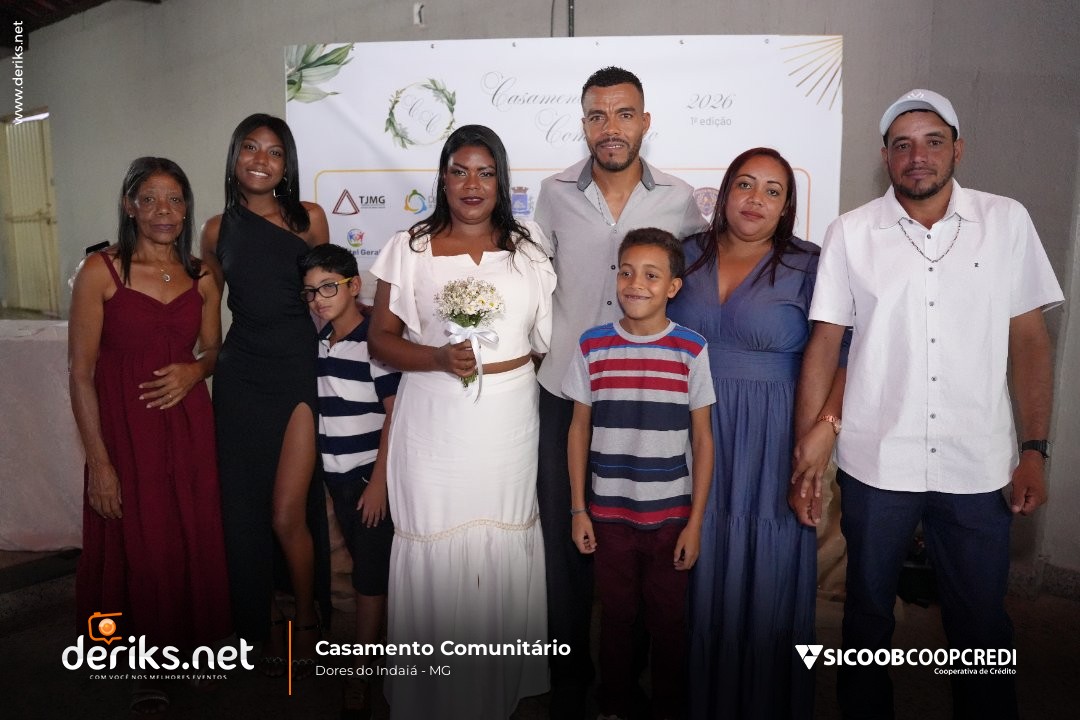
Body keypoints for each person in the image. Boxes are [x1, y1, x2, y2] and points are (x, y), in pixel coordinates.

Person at [792, 89, 1064, 719]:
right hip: (877, 463)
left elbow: (1029, 341)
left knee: (980, 626)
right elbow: (825, 344)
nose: (918, 156)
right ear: (885, 156)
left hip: (978, 464)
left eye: (933, 141)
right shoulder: (851, 232)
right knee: (866, 618)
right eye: (903, 145)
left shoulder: (1006, 221)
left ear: (958, 149)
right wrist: (807, 457)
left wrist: (1034, 450)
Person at [533, 66, 707, 715]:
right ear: (584, 124)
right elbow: (532, 282)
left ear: (645, 122)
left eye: (624, 114)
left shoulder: (681, 201)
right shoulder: (551, 194)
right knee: (569, 541)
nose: (611, 128)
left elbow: (691, 290)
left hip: (646, 401)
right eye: (598, 116)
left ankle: (626, 681)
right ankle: (571, 682)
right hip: (567, 394)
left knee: (639, 544)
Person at [368, 124, 555, 719]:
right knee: (435, 537)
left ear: (501, 180)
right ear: (442, 179)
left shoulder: (530, 248)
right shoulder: (409, 247)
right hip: (433, 419)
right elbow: (379, 339)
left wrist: (500, 373)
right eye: (459, 171)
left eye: (485, 172)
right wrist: (437, 359)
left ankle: (494, 691)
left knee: (504, 537)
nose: (472, 184)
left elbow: (542, 342)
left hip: (508, 421)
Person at [668, 147, 846, 719]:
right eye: (745, 185)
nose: (756, 200)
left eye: (773, 191)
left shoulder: (811, 264)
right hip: (691, 429)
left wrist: (826, 426)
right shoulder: (685, 255)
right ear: (724, 193)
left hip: (774, 432)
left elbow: (845, 355)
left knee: (768, 561)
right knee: (696, 557)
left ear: (787, 205)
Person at [69, 157, 232, 714]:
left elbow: (214, 350)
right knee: (143, 544)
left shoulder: (203, 275)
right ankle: (146, 664)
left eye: (175, 200)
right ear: (129, 205)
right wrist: (99, 463)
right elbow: (80, 373)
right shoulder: (101, 272)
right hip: (126, 431)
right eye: (150, 199)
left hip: (188, 427)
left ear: (187, 209)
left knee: (193, 535)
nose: (164, 211)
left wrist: (195, 370)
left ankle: (198, 648)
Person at [200, 113, 331, 679]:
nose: (261, 160)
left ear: (287, 164)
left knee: (286, 513)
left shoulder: (311, 219)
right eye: (250, 148)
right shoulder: (214, 231)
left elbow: (329, 297)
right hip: (240, 377)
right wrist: (201, 363)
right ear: (235, 157)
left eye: (274, 151)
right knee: (244, 509)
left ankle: (307, 615)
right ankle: (259, 619)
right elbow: (210, 312)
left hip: (298, 370)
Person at [565, 228, 715, 720]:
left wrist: (695, 523)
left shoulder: (692, 349)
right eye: (627, 272)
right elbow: (578, 429)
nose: (635, 284)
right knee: (616, 618)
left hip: (671, 517)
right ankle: (615, 704)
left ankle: (669, 706)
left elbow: (703, 440)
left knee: (668, 623)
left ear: (673, 287)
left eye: (651, 275)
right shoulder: (592, 345)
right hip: (609, 516)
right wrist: (579, 510)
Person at [301, 244, 399, 718]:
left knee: (370, 576)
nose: (318, 299)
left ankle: (361, 673)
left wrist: (378, 484)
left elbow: (395, 416)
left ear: (354, 285)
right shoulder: (321, 341)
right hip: (337, 477)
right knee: (363, 566)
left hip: (367, 478)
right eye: (310, 292)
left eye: (328, 288)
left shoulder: (373, 343)